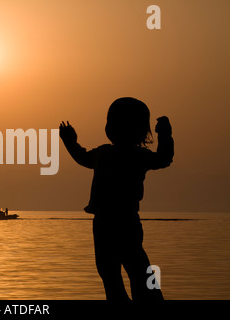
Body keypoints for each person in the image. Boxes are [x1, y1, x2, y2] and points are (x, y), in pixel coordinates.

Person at [59, 97, 173, 301]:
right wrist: (164, 134)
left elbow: (81, 156)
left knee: (113, 275)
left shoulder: (106, 154)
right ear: (142, 130)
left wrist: (69, 141)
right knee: (136, 271)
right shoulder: (137, 155)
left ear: (110, 127)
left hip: (107, 224)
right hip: (124, 222)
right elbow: (164, 158)